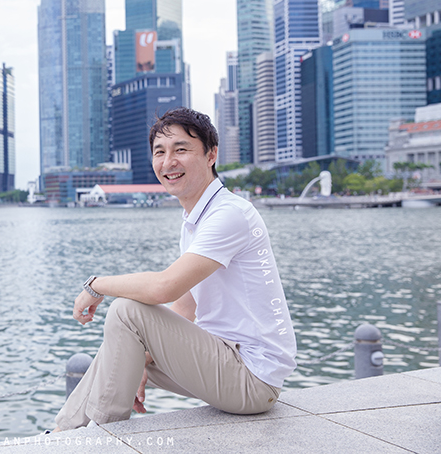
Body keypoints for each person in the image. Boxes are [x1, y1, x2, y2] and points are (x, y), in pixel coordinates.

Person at [53, 107, 297, 431]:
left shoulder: (230, 214)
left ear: (211, 155)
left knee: (126, 311)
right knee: (122, 349)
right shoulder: (196, 218)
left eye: (181, 149)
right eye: (159, 152)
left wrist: (96, 285)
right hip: (228, 363)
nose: (168, 162)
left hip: (252, 379)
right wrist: (144, 356)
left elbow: (163, 288)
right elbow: (185, 306)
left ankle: (101, 437)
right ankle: (62, 433)